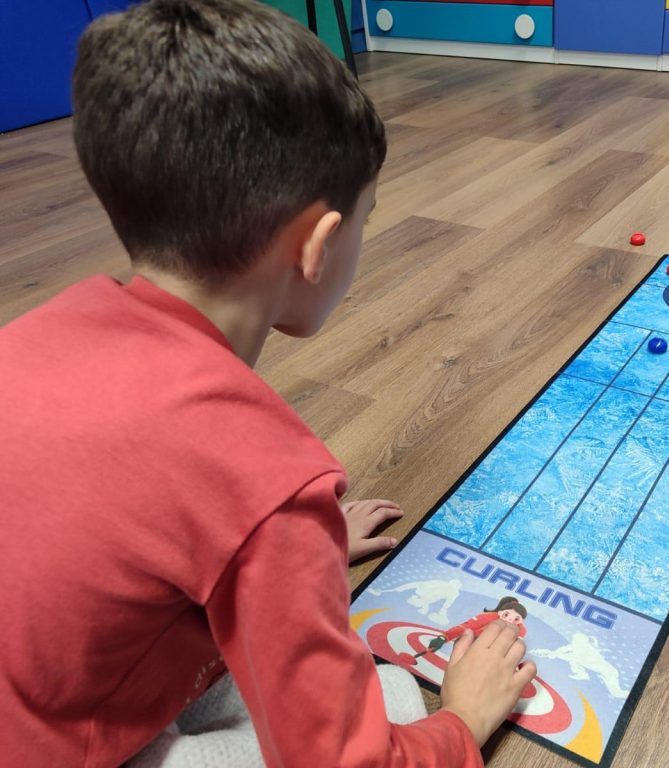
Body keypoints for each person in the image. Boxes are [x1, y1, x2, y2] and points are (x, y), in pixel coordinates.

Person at [0, 1, 536, 766]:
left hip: (44, 685)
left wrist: (296, 561)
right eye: (366, 217)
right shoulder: (264, 484)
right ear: (315, 247)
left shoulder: (36, 330)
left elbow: (123, 516)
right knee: (394, 698)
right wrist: (462, 720)